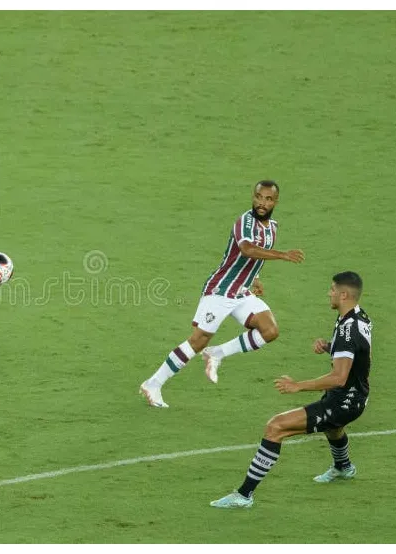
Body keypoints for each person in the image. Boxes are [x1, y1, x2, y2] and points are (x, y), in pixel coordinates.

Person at [210, 271, 371, 508]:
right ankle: (343, 467)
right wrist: (330, 347)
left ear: (344, 294)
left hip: (344, 401)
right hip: (353, 395)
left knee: (276, 427)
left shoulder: (348, 330)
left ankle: (244, 495)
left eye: (333, 290)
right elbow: (360, 354)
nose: (329, 293)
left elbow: (338, 377)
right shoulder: (359, 317)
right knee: (333, 428)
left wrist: (298, 386)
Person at [140, 180, 305, 408]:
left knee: (270, 330)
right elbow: (247, 249)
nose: (262, 203)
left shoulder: (272, 227)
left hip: (241, 292)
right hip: (221, 289)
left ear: (275, 202)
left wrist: (255, 278)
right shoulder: (244, 222)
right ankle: (153, 383)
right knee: (198, 341)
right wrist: (282, 255)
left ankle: (217, 354)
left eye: (268, 199)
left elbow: (253, 257)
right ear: (253, 196)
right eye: (258, 196)